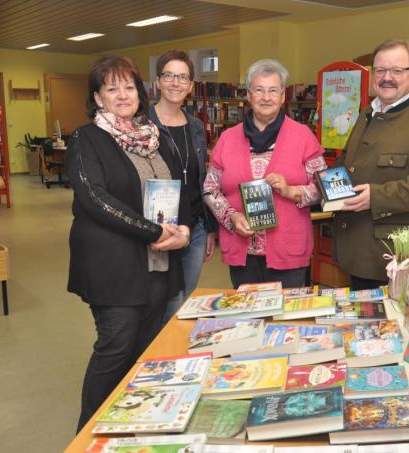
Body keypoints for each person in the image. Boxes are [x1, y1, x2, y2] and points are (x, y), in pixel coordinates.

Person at [66, 55, 192, 432]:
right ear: (98, 97)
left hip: (157, 265)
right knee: (115, 349)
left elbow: (177, 191)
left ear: (140, 92)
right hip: (113, 268)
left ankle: (131, 427)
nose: (122, 95)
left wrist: (183, 231)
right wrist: (154, 233)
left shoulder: (153, 138)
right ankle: (88, 434)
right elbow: (94, 197)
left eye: (129, 86)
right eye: (111, 88)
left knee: (146, 351)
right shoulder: (86, 138)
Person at [334, 38, 409, 290]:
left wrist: (376, 197)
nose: (386, 77)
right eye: (379, 70)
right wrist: (321, 183)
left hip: (395, 255)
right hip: (356, 248)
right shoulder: (368, 112)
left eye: (397, 70)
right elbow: (348, 162)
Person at [203, 59, 326, 289]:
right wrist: (231, 217)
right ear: (248, 95)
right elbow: (210, 188)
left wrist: (292, 191)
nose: (266, 97)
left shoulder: (303, 137)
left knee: (286, 322)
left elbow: (322, 186)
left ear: (282, 96)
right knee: (247, 320)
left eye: (273, 91)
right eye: (259, 90)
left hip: (288, 251)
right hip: (242, 253)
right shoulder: (228, 139)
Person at [147, 49, 218, 322]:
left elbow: (202, 179)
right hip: (162, 226)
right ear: (158, 81)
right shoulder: (143, 125)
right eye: (169, 75)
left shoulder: (196, 126)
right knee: (165, 296)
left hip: (196, 225)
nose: (175, 83)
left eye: (183, 77)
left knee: (186, 295)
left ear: (190, 86)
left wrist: (209, 228)